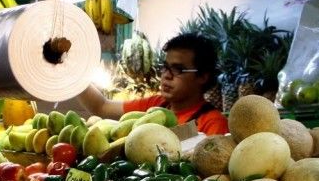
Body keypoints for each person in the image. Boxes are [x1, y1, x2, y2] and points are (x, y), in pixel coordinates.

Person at [77, 33, 230, 135]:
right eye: (165, 67)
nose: (166, 76)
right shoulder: (156, 105)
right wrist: (72, 75)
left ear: (203, 76)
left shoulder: (213, 123)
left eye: (178, 69)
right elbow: (101, 107)